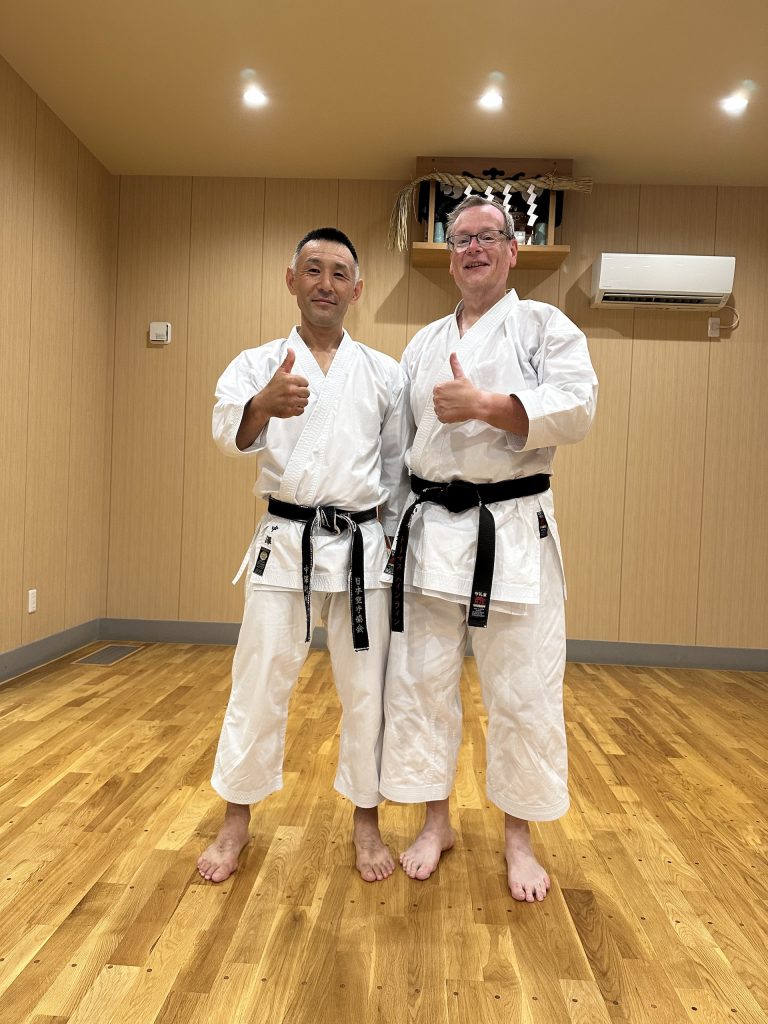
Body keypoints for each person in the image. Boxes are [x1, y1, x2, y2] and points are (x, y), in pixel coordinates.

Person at [379, 196, 598, 902]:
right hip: (430, 532)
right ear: (450, 258)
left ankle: (518, 839)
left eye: (487, 236)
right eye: (461, 239)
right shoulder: (421, 344)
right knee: (421, 683)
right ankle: (435, 821)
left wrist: (486, 406)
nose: (473, 247)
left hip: (511, 530)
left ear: (512, 249)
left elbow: (577, 408)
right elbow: (398, 448)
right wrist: (390, 531)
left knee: (523, 687)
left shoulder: (544, 326)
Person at [198, 228, 409, 884]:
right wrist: (261, 406)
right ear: (291, 280)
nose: (326, 283)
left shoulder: (384, 373)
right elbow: (226, 435)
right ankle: (236, 819)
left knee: (367, 691)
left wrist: (393, 544)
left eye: (339, 273)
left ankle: (367, 821)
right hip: (285, 543)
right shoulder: (257, 363)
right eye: (313, 270)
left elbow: (397, 469)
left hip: (361, 547)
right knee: (259, 681)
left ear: (357, 290)